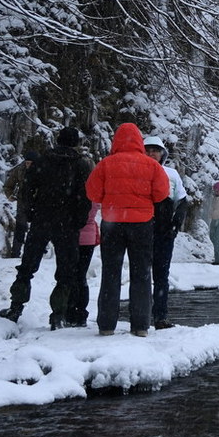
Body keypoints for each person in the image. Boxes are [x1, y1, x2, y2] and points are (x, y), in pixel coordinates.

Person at [0, 127, 92, 328]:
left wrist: (30, 212)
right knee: (66, 272)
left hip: (42, 219)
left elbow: (26, 190)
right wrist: (79, 220)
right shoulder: (80, 165)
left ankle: (16, 308)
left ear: (57, 140)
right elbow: (85, 198)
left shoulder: (41, 162)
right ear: (75, 143)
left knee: (27, 267)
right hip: (67, 224)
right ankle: (57, 315)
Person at [85, 123, 170, 337]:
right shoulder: (151, 166)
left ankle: (106, 325)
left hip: (112, 223)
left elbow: (92, 193)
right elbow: (161, 194)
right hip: (142, 223)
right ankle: (140, 325)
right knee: (141, 273)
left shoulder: (106, 164)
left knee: (110, 273)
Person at [143, 135, 186, 329]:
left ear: (163, 154)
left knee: (161, 275)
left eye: (155, 151)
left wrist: (176, 223)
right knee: (141, 274)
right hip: (141, 230)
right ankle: (141, 316)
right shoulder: (137, 171)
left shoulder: (171, 174)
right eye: (148, 150)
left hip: (164, 231)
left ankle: (160, 316)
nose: (152, 154)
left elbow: (182, 201)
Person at [67, 202, 101, 327]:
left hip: (72, 235)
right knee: (81, 276)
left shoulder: (74, 191)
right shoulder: (93, 193)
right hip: (89, 237)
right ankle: (81, 313)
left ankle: (71, 312)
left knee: (71, 276)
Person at [2, 149, 38, 258]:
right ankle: (15, 253)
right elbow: (8, 185)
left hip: (38, 203)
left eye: (30, 163)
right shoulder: (20, 169)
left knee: (37, 229)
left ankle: (35, 253)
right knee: (20, 228)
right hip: (23, 201)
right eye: (27, 163)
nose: (28, 165)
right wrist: (10, 195)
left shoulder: (42, 170)